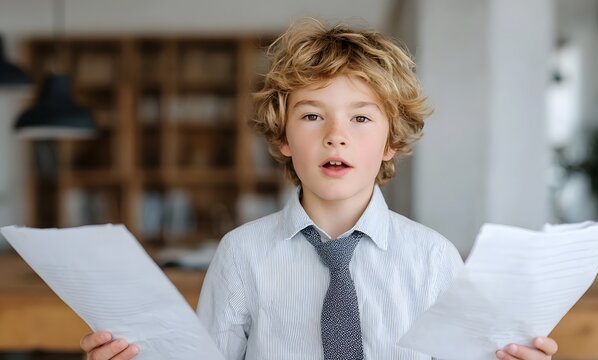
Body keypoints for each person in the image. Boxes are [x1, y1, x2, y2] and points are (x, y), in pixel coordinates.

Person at [80, 18, 559, 360]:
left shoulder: (434, 258)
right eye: (312, 116)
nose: (336, 134)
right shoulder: (242, 254)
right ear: (283, 139)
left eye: (361, 118)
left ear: (391, 142)